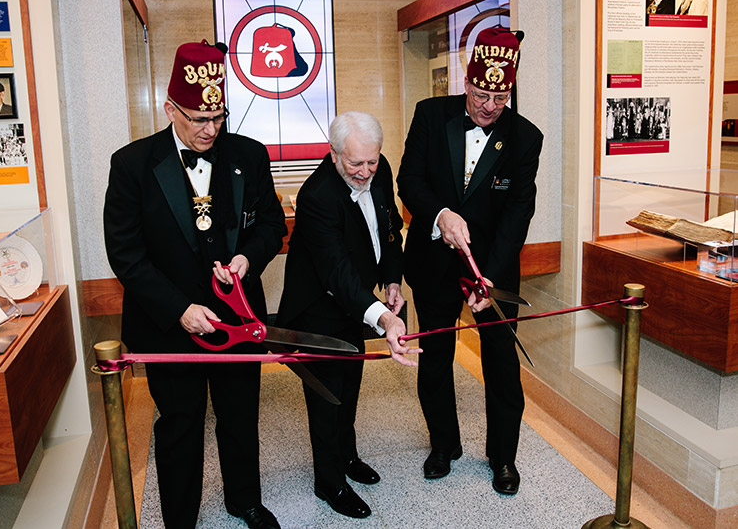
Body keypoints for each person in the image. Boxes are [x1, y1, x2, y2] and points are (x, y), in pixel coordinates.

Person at [104, 41, 286, 529]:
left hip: (238, 315)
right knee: (181, 423)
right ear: (170, 109)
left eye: (218, 117)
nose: (210, 130)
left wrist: (249, 257)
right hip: (170, 325)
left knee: (240, 414)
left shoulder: (249, 154)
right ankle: (180, 518)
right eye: (197, 119)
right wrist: (180, 308)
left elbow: (271, 224)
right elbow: (126, 254)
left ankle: (244, 501)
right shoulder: (132, 165)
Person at [397, 27, 543, 495]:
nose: (488, 106)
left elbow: (519, 213)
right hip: (433, 264)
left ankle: (503, 457)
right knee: (436, 357)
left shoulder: (525, 138)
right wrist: (440, 214)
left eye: (499, 97)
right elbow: (408, 181)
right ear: (466, 79)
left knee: (501, 363)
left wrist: (491, 277)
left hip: (491, 269)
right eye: (481, 93)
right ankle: (443, 445)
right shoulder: (429, 115)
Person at [277, 111, 420, 519]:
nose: (365, 172)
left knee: (351, 384)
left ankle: (348, 456)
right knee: (327, 395)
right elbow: (337, 272)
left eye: (371, 162)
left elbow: (389, 229)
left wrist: (392, 279)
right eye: (355, 164)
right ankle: (329, 482)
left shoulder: (379, 167)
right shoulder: (317, 196)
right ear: (334, 154)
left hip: (358, 301)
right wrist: (385, 319)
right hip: (318, 308)